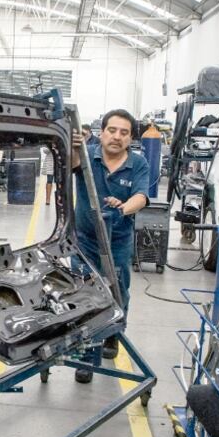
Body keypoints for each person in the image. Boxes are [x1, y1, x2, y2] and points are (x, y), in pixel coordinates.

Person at [72, 109, 149, 373]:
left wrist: (124, 207)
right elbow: (70, 163)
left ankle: (114, 332)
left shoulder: (137, 163)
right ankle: (85, 353)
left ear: (131, 138)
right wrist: (73, 145)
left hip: (118, 240)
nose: (117, 137)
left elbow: (141, 196)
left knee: (118, 289)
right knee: (84, 293)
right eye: (112, 130)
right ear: (102, 132)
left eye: (124, 133)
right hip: (85, 239)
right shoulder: (87, 154)